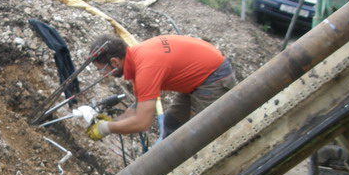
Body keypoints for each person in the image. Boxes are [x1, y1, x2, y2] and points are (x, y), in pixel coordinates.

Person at [86, 33, 237, 141]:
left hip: (213, 77)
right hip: (197, 75)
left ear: (114, 62)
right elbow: (137, 109)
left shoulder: (146, 69)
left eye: (102, 69)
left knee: (200, 134)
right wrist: (113, 122)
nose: (103, 75)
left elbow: (142, 122)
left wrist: (105, 128)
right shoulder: (137, 57)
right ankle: (169, 164)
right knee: (172, 123)